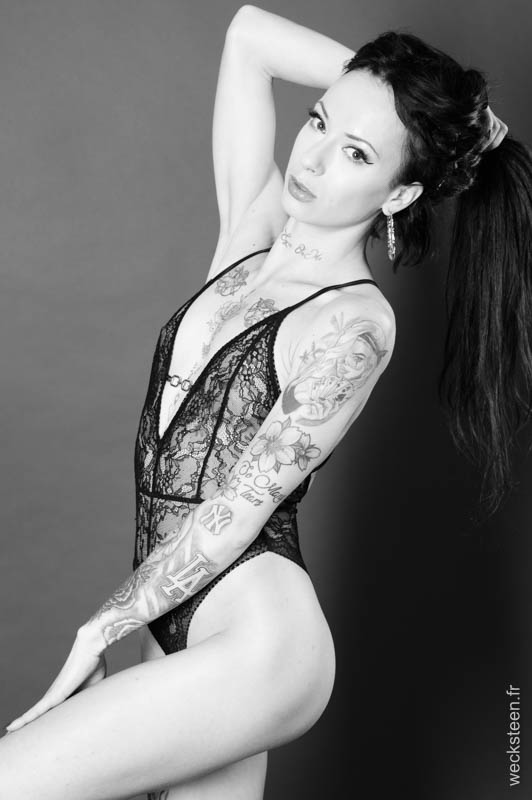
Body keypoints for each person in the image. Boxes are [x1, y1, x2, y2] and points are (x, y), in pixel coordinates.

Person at [0, 4, 522, 799]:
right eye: (320, 122)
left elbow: (237, 510)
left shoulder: (356, 324)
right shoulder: (250, 232)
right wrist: (415, 102)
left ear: (399, 194)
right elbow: (248, 35)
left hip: (256, 634)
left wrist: (101, 626)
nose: (314, 157)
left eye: (357, 153)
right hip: (171, 604)